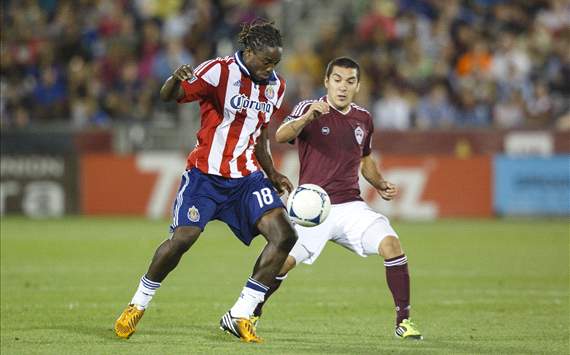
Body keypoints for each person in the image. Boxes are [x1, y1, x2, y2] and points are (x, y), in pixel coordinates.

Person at [114, 20, 297, 343]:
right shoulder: (218, 71)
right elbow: (169, 95)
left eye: (275, 63)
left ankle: (241, 313)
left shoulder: (275, 86)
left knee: (284, 235)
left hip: (246, 179)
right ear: (249, 52)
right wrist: (174, 78)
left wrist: (272, 173)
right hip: (205, 177)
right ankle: (137, 304)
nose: (271, 69)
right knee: (183, 239)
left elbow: (260, 134)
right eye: (267, 61)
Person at [253, 57, 423, 340]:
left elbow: (365, 159)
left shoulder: (363, 118)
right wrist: (309, 117)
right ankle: (251, 312)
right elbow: (281, 135)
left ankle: (403, 321)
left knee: (392, 245)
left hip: (351, 206)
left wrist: (379, 183)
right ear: (327, 82)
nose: (343, 87)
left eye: (350, 81)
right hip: (311, 208)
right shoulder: (309, 108)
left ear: (357, 86)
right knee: (280, 262)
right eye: (338, 80)